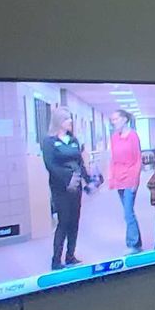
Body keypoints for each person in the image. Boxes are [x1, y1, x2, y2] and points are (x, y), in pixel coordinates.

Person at [40, 109, 88, 269]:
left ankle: (70, 256)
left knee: (74, 221)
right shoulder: (49, 141)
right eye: (67, 119)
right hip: (60, 187)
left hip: (76, 186)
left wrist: (87, 179)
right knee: (64, 221)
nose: (70, 122)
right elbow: (50, 164)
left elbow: (79, 162)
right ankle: (56, 260)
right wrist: (68, 179)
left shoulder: (73, 140)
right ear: (59, 122)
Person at [109, 109, 143, 252]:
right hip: (119, 179)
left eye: (116, 119)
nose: (114, 122)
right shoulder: (114, 138)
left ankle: (132, 244)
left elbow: (138, 159)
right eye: (112, 120)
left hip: (130, 177)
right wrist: (111, 178)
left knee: (128, 212)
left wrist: (135, 180)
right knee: (128, 211)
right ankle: (137, 242)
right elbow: (113, 159)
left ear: (124, 119)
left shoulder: (133, 136)